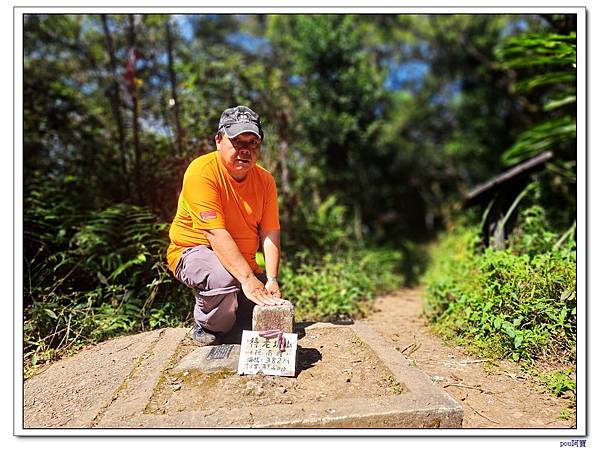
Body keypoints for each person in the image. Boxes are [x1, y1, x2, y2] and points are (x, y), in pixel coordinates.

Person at [166, 105, 284, 346]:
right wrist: (248, 279)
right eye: (237, 141)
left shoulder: (265, 180)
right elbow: (215, 233)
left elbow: (270, 231)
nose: (245, 150)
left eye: (252, 142)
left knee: (267, 301)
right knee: (223, 279)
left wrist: (271, 278)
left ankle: (234, 311)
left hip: (240, 259)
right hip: (193, 251)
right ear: (219, 140)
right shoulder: (201, 172)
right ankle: (206, 325)